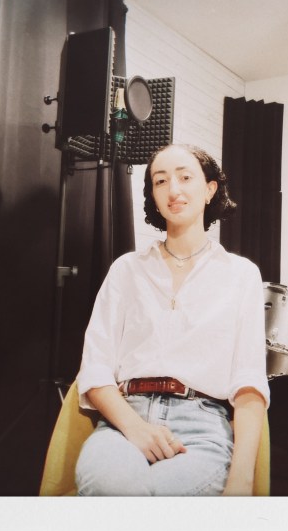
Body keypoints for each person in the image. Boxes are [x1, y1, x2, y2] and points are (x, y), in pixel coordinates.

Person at [74, 143, 270, 496]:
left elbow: (249, 382)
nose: (173, 190)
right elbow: (95, 368)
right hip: (124, 421)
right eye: (160, 181)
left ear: (210, 189)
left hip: (203, 427)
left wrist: (242, 478)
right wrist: (135, 427)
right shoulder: (126, 269)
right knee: (111, 489)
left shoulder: (241, 275)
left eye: (185, 177)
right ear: (152, 194)